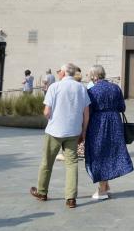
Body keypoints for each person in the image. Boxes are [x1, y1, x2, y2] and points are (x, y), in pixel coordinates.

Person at [30, 63, 90, 209]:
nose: (58, 73)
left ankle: (42, 192)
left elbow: (46, 112)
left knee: (47, 162)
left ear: (63, 73)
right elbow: (86, 113)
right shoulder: (81, 87)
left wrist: (50, 118)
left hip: (54, 131)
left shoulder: (54, 87)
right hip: (73, 131)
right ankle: (71, 198)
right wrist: (83, 132)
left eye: (59, 71)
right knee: (72, 164)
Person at [84, 65, 133, 200]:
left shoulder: (92, 91)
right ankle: (105, 185)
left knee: (98, 153)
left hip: (98, 123)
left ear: (94, 76)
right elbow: (122, 107)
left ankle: (102, 190)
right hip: (114, 123)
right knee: (110, 153)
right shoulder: (115, 88)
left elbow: (89, 111)